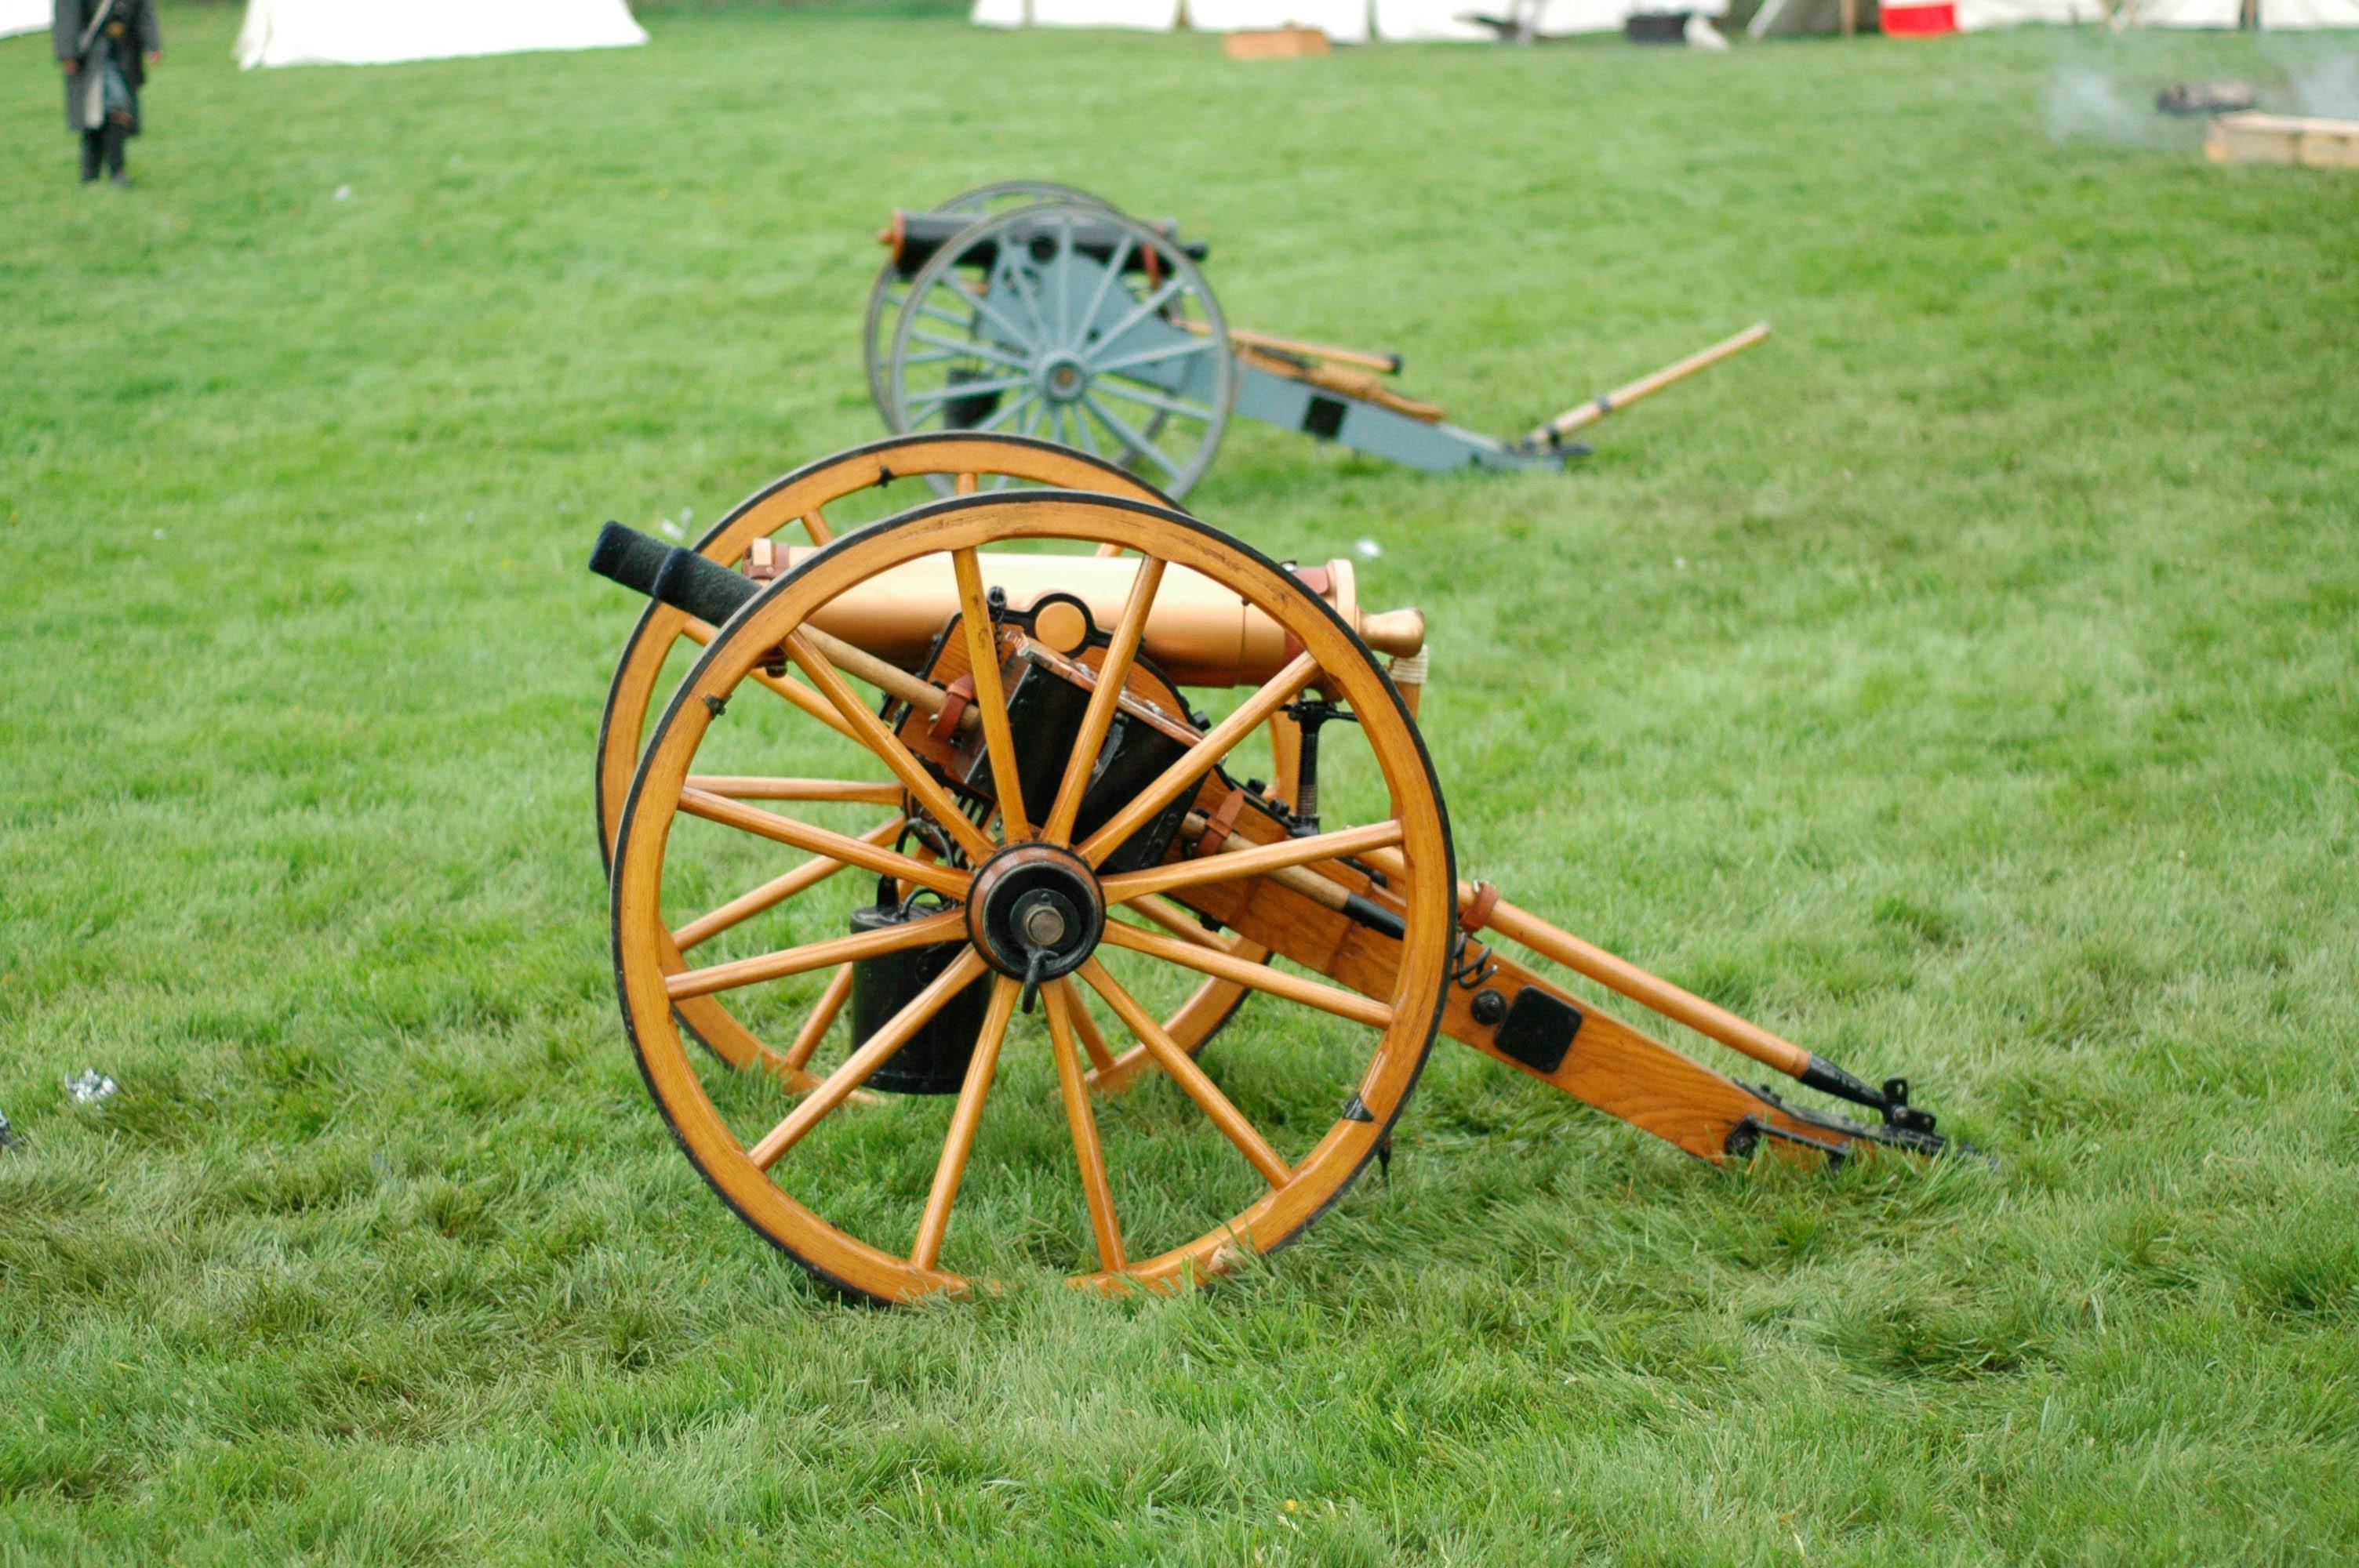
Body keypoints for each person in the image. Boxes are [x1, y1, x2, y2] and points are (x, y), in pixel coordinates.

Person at [55, 0, 159, 187]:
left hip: (123, 52)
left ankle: (103, 173)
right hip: (92, 55)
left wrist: (153, 44)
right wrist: (67, 53)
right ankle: (104, 173)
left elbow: (142, 10)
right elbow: (67, 12)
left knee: (111, 111)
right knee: (102, 112)